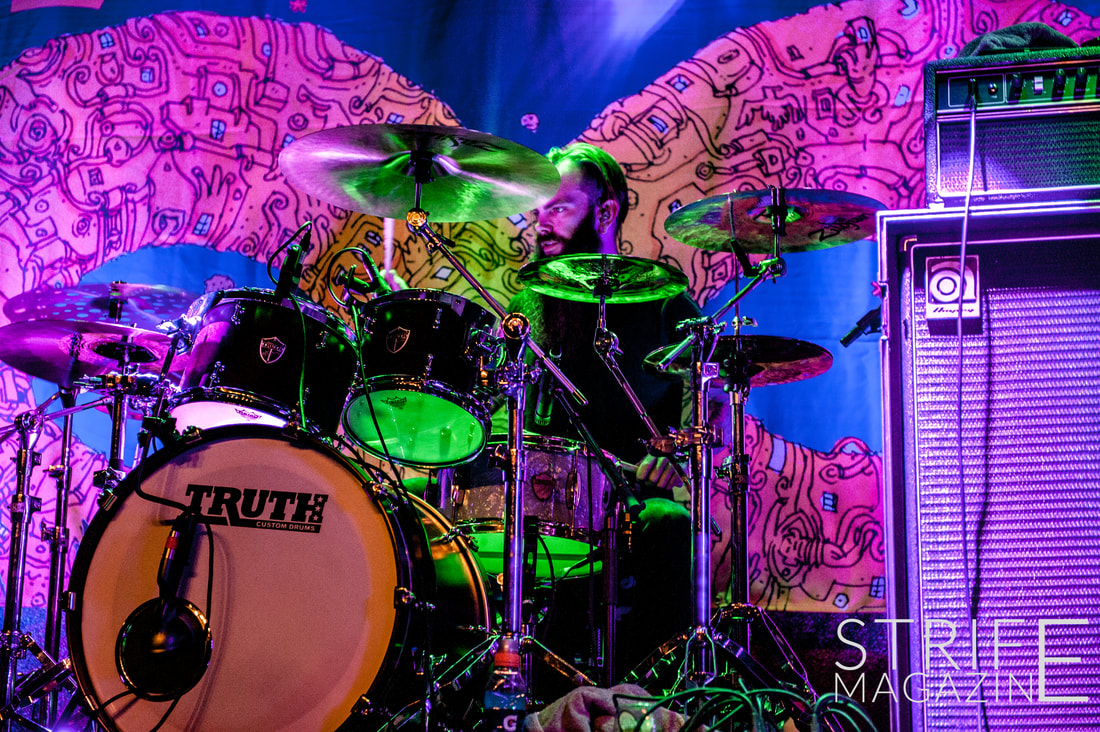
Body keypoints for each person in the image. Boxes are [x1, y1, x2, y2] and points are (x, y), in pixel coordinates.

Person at [498, 141, 697, 679]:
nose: (542, 222)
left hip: (628, 502)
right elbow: (494, 400)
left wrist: (679, 452)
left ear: (605, 212)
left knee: (669, 522)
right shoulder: (528, 302)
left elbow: (716, 393)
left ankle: (659, 696)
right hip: (538, 499)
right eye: (539, 209)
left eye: (560, 208)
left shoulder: (662, 300)